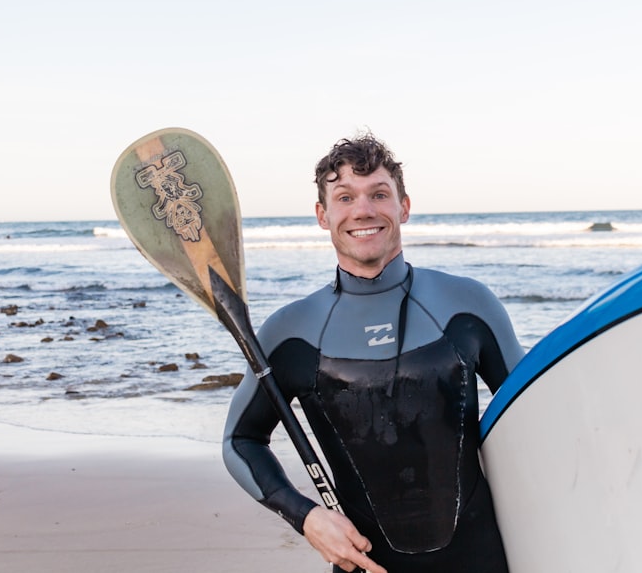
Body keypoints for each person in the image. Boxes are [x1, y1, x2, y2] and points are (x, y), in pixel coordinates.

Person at [222, 133, 524, 572]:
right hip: (367, 566)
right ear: (323, 216)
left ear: (403, 206)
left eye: (378, 194)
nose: (363, 210)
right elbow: (240, 440)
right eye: (345, 197)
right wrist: (306, 518)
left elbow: (533, 416)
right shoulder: (291, 333)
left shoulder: (468, 306)